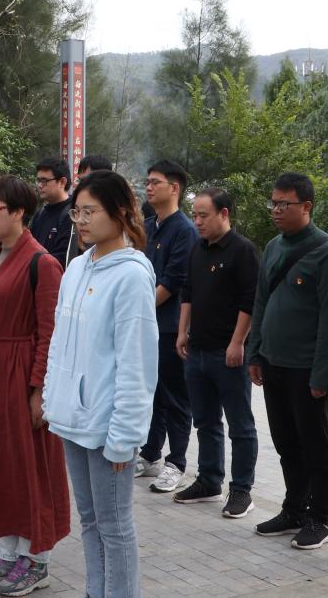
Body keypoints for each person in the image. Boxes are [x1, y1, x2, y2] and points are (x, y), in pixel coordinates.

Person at [44, 170, 158, 598]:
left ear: (121, 212)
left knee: (115, 525)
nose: (81, 221)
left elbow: (136, 363)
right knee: (90, 521)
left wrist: (125, 435)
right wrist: (53, 398)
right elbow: (59, 343)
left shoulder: (132, 276)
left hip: (108, 424)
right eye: (77, 212)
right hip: (72, 417)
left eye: (90, 212)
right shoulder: (76, 267)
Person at [0, 175, 70, 596]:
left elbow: (50, 333)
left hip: (20, 375)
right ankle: (9, 551)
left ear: (19, 212)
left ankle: (37, 559)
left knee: (30, 468)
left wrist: (38, 390)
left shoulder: (41, 263)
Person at [247, 172, 328, 551]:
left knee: (315, 445)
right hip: (274, 364)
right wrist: (255, 352)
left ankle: (320, 518)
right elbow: (261, 301)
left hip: (308, 370)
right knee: (286, 443)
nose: (275, 210)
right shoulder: (274, 247)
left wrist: (322, 375)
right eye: (272, 203)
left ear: (306, 206)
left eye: (283, 204)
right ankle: (293, 509)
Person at [173, 188, 260, 518]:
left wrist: (238, 342)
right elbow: (188, 292)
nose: (197, 221)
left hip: (227, 354)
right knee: (205, 421)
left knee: (240, 425)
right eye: (194, 215)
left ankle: (241, 490)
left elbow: (250, 300)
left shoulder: (242, 251)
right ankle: (209, 480)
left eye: (203, 215)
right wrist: (182, 331)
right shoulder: (198, 249)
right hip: (196, 351)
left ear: (224, 214)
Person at [135, 160, 198, 494]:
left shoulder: (184, 230)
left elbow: (173, 282)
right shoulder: (148, 226)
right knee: (153, 392)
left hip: (170, 327)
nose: (148, 187)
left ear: (174, 188)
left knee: (175, 396)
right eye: (147, 181)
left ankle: (177, 463)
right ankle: (150, 454)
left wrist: (139, 308)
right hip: (148, 324)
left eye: (155, 182)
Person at [66, 155, 114, 265]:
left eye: (86, 180)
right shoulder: (75, 212)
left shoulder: (117, 216)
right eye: (80, 181)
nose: (81, 186)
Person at [30, 157, 74, 266]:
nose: (39, 185)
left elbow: (64, 258)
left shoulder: (72, 215)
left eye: (44, 181)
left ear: (62, 182)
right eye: (38, 180)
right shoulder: (40, 214)